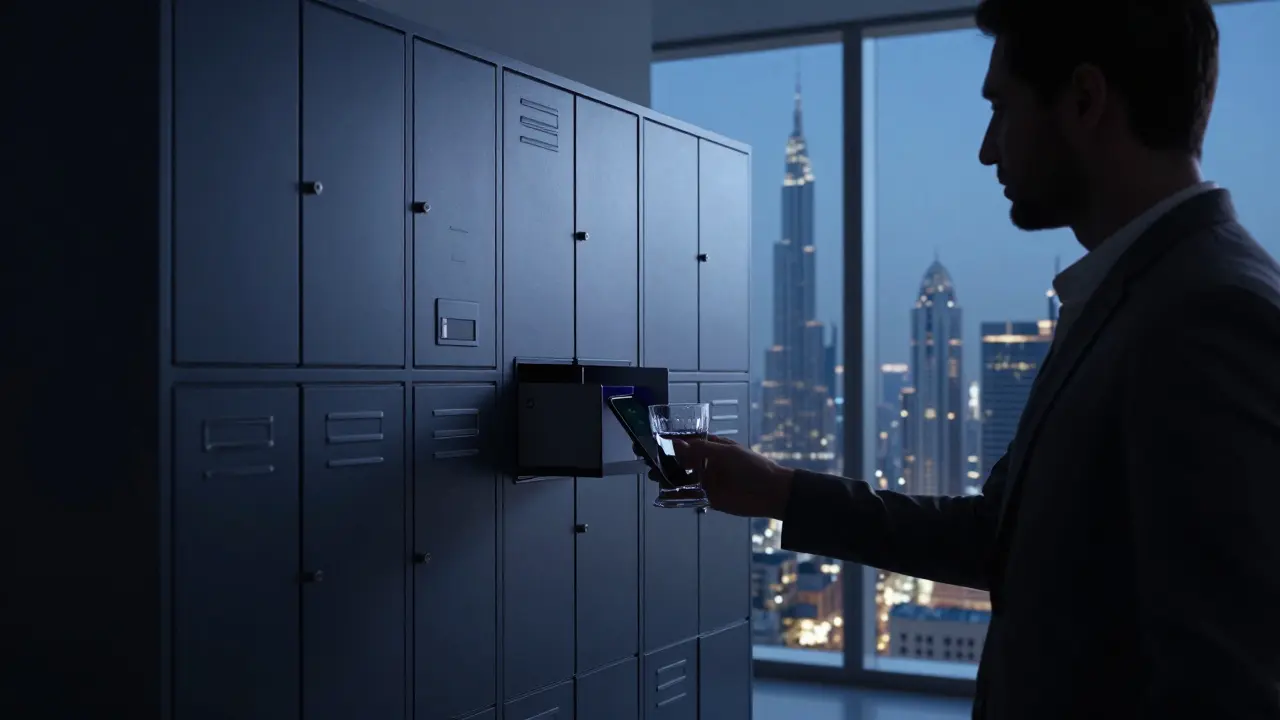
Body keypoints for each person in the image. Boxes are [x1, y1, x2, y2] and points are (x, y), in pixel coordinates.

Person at [646, 0, 1280, 717]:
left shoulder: (1207, 313)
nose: (987, 148)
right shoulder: (1132, 297)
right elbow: (998, 536)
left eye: (1001, 108)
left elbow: (1226, 682)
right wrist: (778, 493)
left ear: (1084, 99)